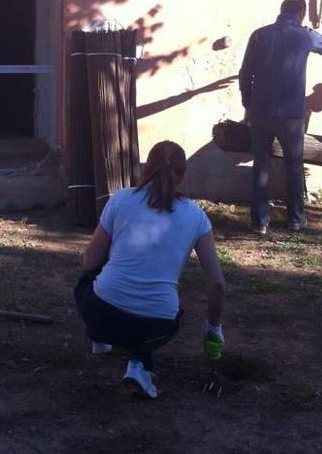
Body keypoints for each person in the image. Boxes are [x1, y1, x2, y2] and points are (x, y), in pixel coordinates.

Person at [74, 141, 227, 399]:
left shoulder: (121, 199)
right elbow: (217, 285)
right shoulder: (196, 216)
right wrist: (214, 329)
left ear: (146, 168)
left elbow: (90, 261)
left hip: (101, 315)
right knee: (152, 312)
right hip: (158, 329)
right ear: (181, 175)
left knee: (87, 280)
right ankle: (138, 364)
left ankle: (99, 339)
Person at [239, 0, 322, 235]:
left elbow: (245, 74)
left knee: (261, 165)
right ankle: (295, 219)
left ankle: (259, 222)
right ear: (301, 13)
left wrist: (249, 103)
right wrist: (315, 34)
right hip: (291, 115)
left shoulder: (259, 35)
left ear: (281, 10)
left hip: (261, 111)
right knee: (293, 166)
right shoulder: (305, 35)